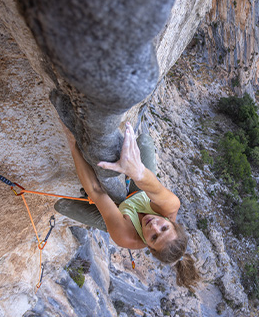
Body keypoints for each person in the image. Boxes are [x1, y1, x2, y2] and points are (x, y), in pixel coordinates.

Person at [61, 121, 200, 289]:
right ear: (172, 222)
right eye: (164, 228)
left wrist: (73, 143)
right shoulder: (170, 206)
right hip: (139, 191)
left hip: (121, 216)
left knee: (62, 206)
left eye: (154, 237)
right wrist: (136, 171)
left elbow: (97, 191)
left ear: (148, 246)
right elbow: (149, 183)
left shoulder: (127, 237)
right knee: (145, 141)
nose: (154, 226)